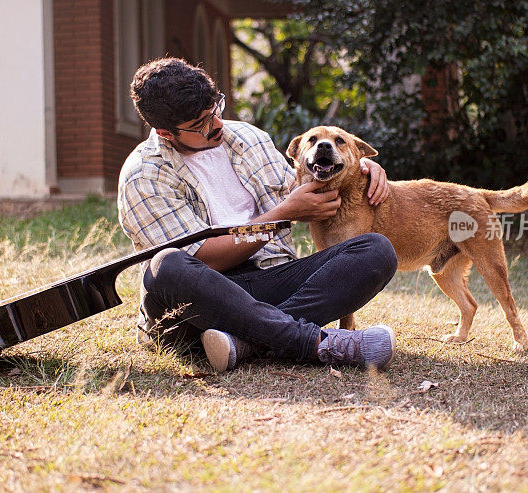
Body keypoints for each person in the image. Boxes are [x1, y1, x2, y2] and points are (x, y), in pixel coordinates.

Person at [117, 57, 398, 372]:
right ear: (167, 133)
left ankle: (246, 343)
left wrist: (361, 166)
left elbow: (309, 183)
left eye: (216, 109)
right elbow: (204, 261)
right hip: (195, 307)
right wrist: (279, 218)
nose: (217, 125)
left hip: (266, 282)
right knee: (167, 265)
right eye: (201, 125)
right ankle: (315, 342)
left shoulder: (249, 139)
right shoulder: (143, 175)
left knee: (376, 250)